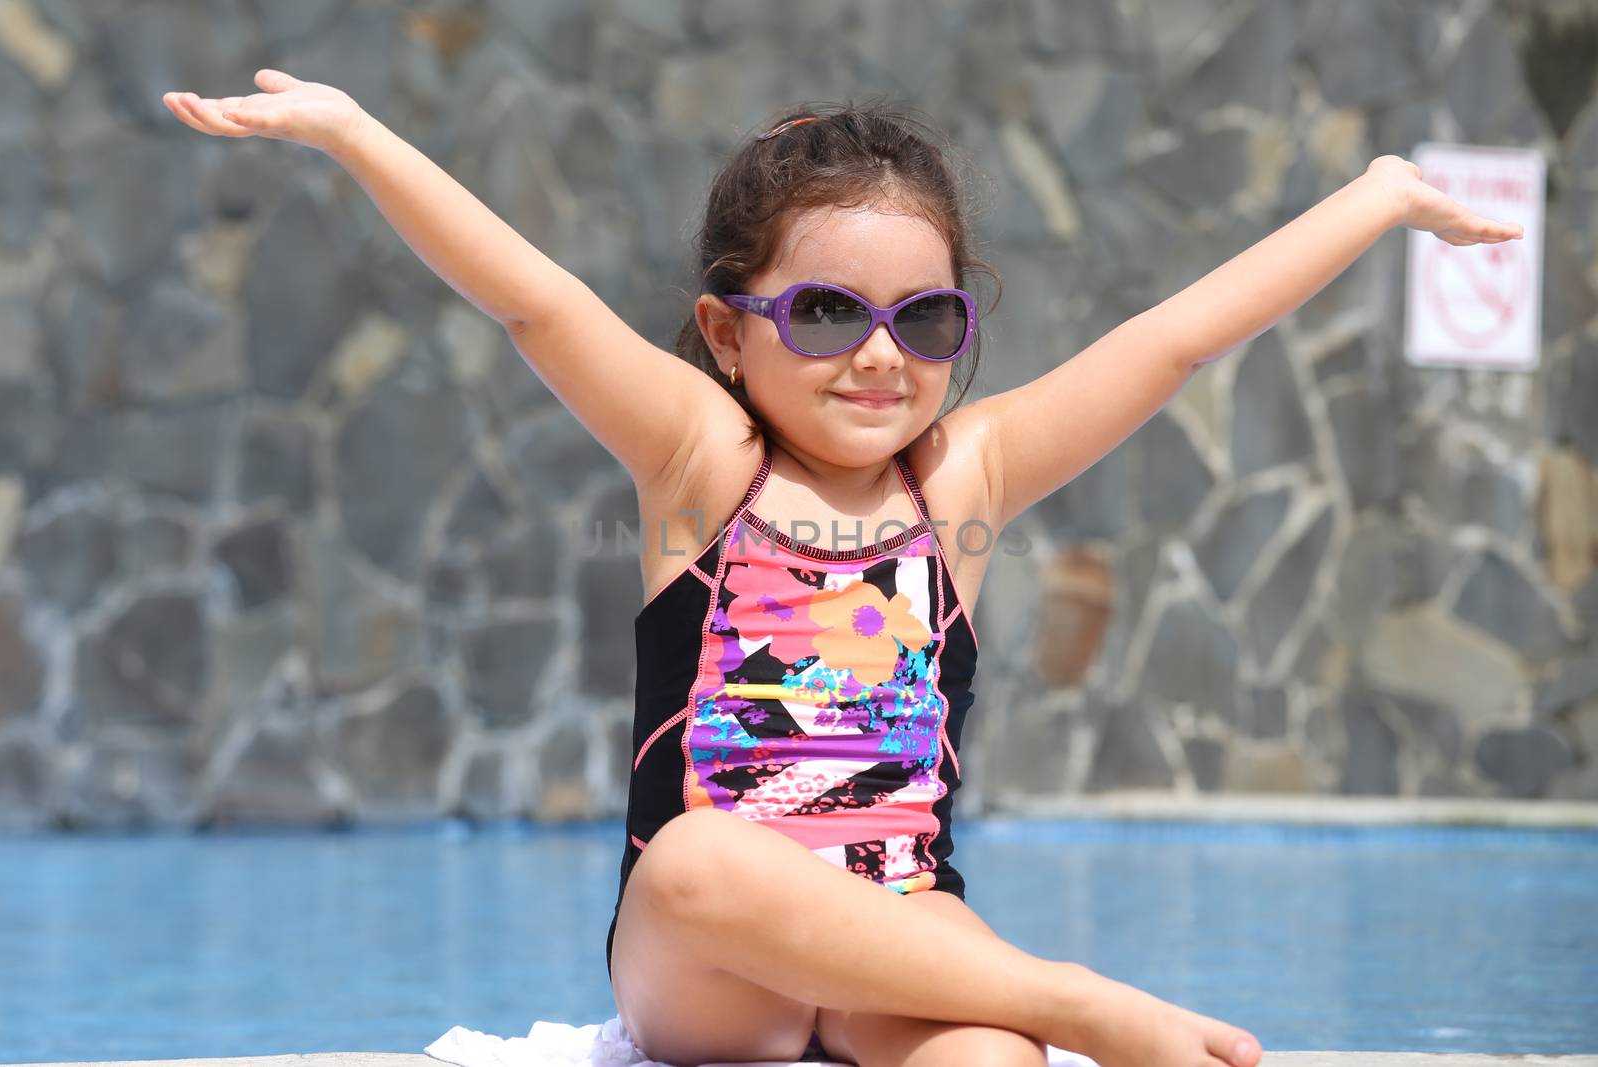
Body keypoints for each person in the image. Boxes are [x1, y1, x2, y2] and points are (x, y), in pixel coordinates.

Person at [163, 69, 1521, 1067]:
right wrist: (353, 135)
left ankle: (1030, 1017)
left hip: (903, 936)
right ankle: (1081, 1002)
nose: (881, 355)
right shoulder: (704, 464)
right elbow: (534, 299)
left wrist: (1375, 201)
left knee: (987, 1060)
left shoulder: (960, 485)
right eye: (825, 314)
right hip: (711, 972)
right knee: (695, 857)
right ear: (728, 330)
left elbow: (1171, 344)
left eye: (923, 317)